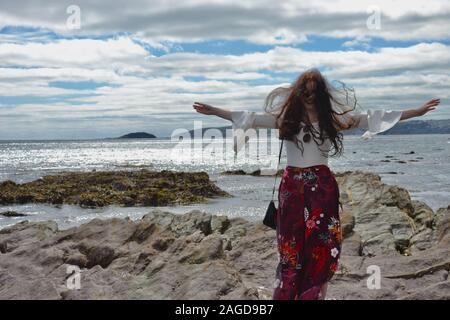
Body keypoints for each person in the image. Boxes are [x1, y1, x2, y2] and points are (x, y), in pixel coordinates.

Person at [192, 69, 441, 300]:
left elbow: (374, 118)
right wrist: (214, 110)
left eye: (314, 91)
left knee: (323, 243)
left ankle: (312, 294)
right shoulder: (285, 119)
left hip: (321, 186)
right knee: (290, 245)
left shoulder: (333, 120)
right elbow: (249, 118)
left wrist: (417, 111)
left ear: (321, 94)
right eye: (305, 90)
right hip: (292, 186)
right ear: (298, 93)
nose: (310, 95)